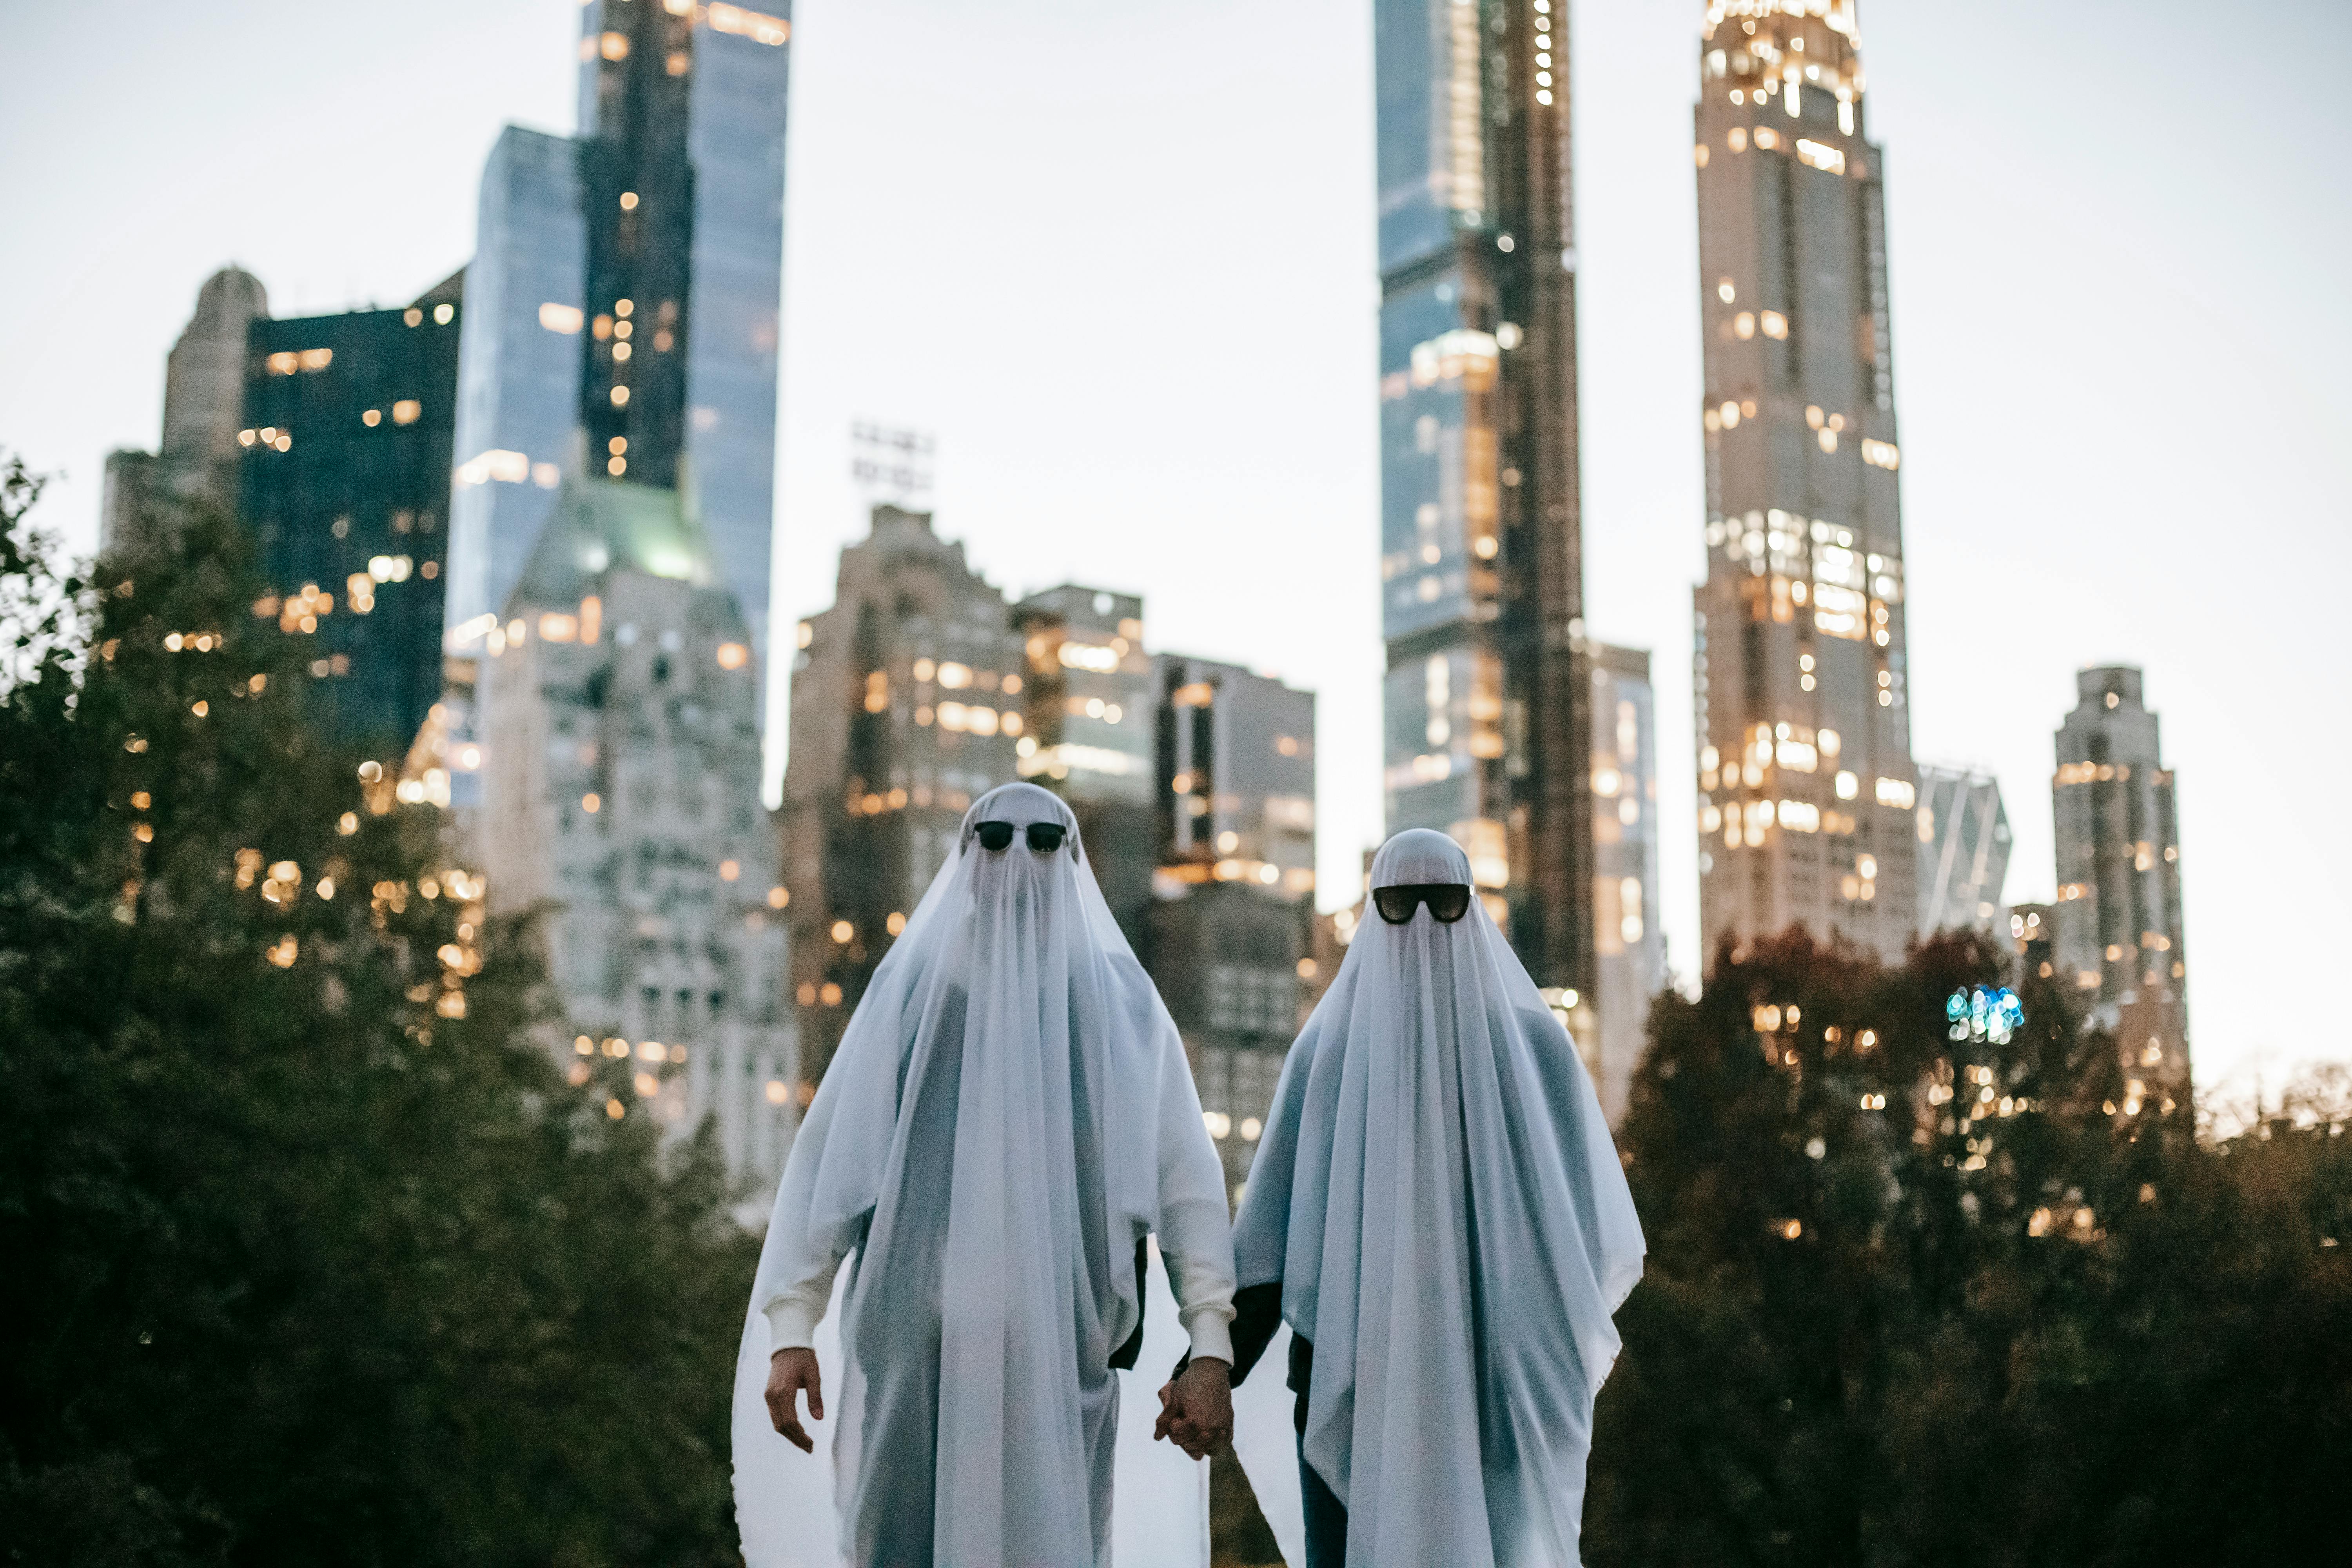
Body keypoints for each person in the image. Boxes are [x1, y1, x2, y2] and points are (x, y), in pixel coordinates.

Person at [740, 782, 1236, 1567]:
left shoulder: (1124, 1011)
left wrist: (1209, 1346)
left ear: (1072, 858)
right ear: (967, 857)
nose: (1017, 860)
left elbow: (1186, 1186)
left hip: (1060, 1358)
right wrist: (792, 1326)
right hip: (910, 1356)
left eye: (1044, 841)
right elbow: (830, 1161)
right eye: (995, 838)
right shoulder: (910, 1001)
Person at [1178, 828, 1645, 1567]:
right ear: (1374, 910)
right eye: (1401, 904)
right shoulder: (1329, 1055)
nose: (1424, 922)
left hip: (1496, 1384)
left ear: (1472, 908)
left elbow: (1576, 1232)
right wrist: (1211, 1367)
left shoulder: (1536, 1054)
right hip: (1359, 1380)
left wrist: (1535, 1350)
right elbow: (1272, 1236)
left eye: (1444, 903)